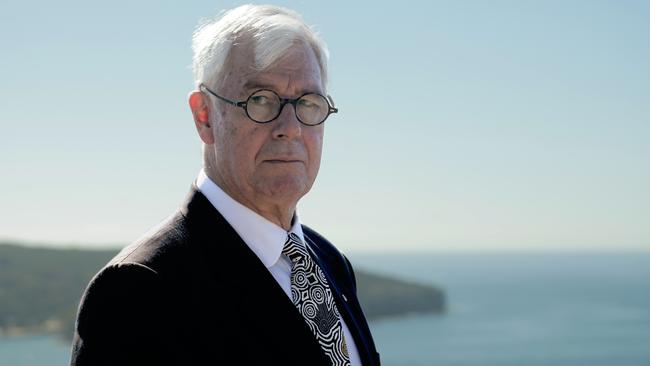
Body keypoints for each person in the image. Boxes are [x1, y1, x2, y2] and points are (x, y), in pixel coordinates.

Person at [69, 4, 380, 366]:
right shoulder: (139, 291)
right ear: (204, 116)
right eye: (261, 100)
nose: (291, 127)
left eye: (308, 103)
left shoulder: (328, 261)